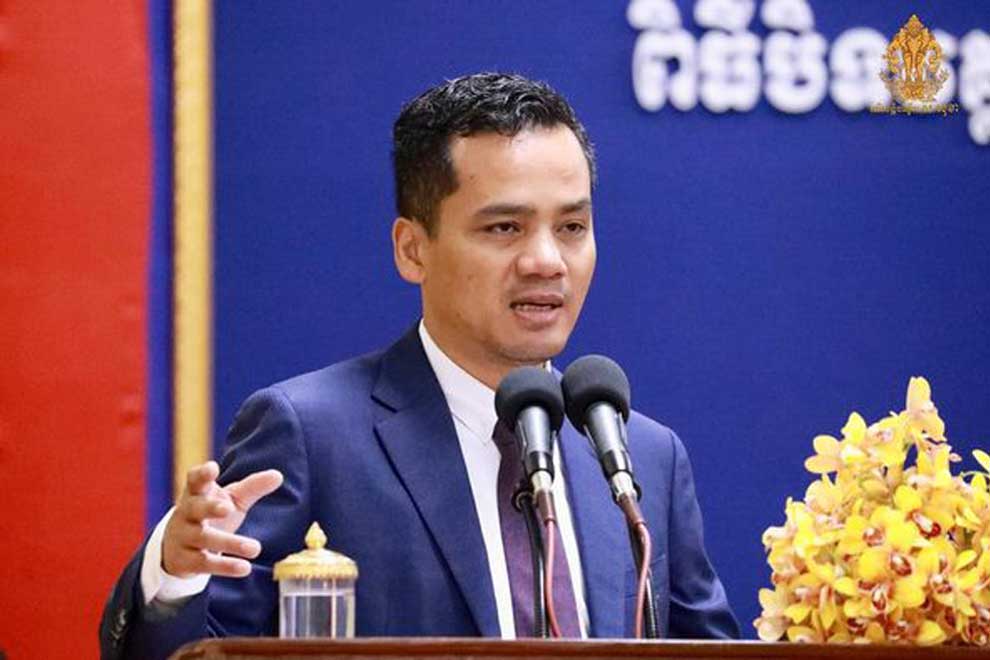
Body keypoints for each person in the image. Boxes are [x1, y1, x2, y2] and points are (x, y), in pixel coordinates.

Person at [99, 72, 739, 660]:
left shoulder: (643, 459)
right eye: (504, 229)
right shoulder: (312, 435)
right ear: (412, 249)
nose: (547, 260)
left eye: (572, 227)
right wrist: (175, 579)